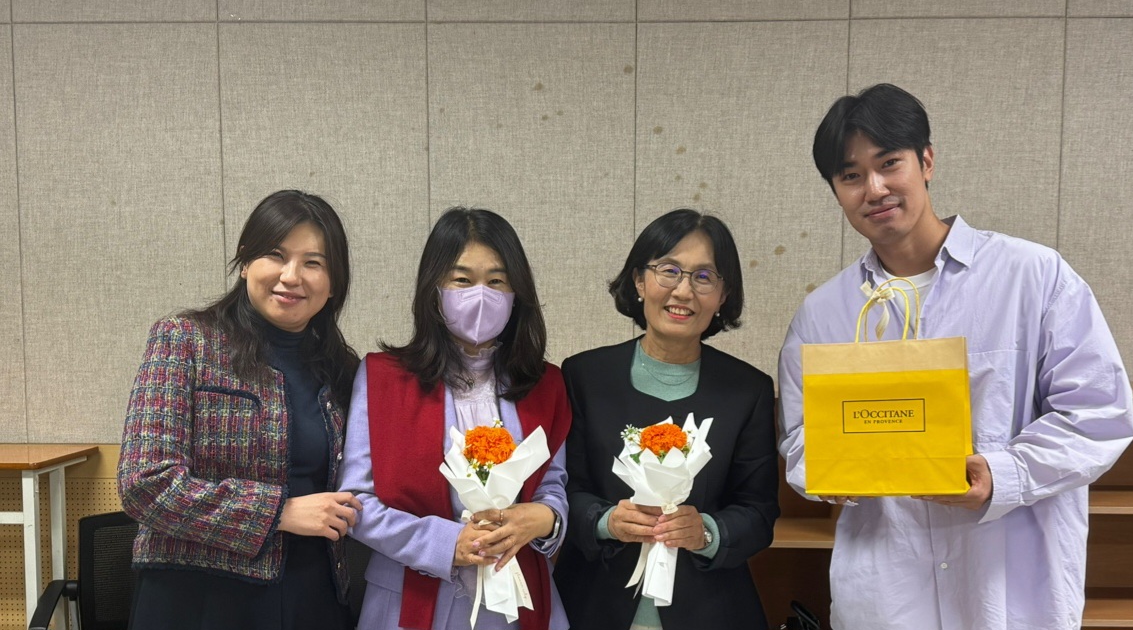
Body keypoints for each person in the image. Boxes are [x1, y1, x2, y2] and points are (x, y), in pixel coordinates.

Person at [777, 83, 1133, 629]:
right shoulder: (823, 313)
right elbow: (799, 437)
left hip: (1007, 589)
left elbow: (1099, 414)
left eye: (889, 163)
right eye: (851, 176)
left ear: (926, 161)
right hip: (887, 594)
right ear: (836, 191)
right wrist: (830, 470)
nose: (874, 188)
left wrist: (1003, 473)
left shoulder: (1033, 276)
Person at [118, 190, 362, 629]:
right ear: (246, 261)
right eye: (276, 255)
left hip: (315, 593)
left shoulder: (343, 370)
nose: (291, 276)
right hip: (199, 599)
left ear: (333, 283)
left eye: (313, 262)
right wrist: (278, 512)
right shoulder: (186, 340)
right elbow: (145, 483)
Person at [339, 207, 571, 630]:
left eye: (497, 281)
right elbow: (356, 501)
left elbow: (552, 485)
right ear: (435, 289)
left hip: (518, 597)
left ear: (517, 293)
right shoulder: (382, 378)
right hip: (409, 596)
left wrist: (545, 518)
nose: (481, 295)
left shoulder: (545, 384)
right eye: (462, 280)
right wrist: (447, 543)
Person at [554, 209, 780, 630]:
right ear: (639, 281)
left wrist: (706, 532)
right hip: (594, 602)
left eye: (704, 276)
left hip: (709, 610)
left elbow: (759, 510)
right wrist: (605, 521)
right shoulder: (583, 376)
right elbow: (565, 487)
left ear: (723, 295)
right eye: (669, 271)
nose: (684, 290)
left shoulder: (748, 390)